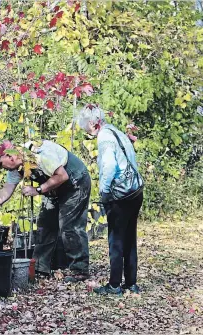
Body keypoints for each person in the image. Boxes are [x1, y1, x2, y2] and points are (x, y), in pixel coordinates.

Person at [0, 139, 91, 282]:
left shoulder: (38, 153)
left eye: (0, 163)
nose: (1, 167)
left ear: (10, 156)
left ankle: (79, 270)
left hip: (75, 182)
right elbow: (6, 191)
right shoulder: (16, 168)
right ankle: (39, 268)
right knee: (45, 225)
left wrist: (38, 190)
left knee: (69, 226)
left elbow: (62, 176)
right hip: (54, 189)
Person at [76, 104, 144, 295]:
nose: (87, 132)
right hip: (136, 191)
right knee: (130, 237)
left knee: (115, 239)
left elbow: (109, 166)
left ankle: (114, 285)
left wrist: (104, 192)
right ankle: (131, 283)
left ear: (92, 123)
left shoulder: (105, 137)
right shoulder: (117, 132)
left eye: (86, 128)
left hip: (120, 195)